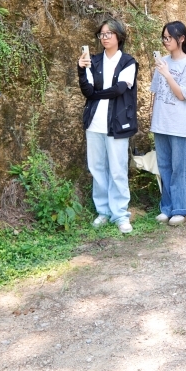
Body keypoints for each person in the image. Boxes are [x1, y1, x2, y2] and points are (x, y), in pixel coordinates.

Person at [78, 19, 138, 233]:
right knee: (97, 168)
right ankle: (103, 211)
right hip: (94, 123)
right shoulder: (92, 61)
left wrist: (97, 93)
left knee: (118, 170)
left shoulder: (128, 62)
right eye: (101, 34)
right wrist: (80, 69)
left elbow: (119, 89)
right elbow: (87, 90)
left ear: (119, 37)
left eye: (109, 34)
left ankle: (121, 214)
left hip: (118, 124)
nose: (104, 38)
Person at [150, 21, 186, 226]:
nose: (165, 41)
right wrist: (152, 118)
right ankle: (167, 207)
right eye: (164, 37)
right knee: (164, 166)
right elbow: (155, 93)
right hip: (161, 122)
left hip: (179, 124)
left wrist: (168, 74)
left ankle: (182, 207)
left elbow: (181, 95)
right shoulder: (162, 61)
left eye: (169, 37)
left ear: (181, 39)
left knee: (180, 166)